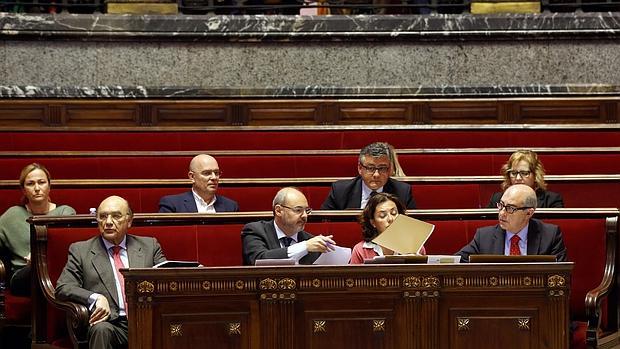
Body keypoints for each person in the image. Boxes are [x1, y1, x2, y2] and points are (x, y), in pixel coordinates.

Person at [55, 196, 166, 349]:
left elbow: (165, 278)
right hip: (111, 324)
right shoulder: (81, 250)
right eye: (102, 216)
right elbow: (63, 287)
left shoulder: (149, 246)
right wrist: (94, 297)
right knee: (101, 330)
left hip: (146, 319)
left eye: (116, 216)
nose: (108, 222)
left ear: (129, 221)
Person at [0, 163, 75, 296]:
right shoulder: (12, 216)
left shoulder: (65, 212)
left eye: (41, 182)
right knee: (37, 270)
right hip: (24, 277)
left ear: (49, 186)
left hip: (60, 271)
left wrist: (40, 257)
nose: (36, 188)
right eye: (30, 183)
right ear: (23, 189)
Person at [457, 184, 567, 263]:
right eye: (501, 205)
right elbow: (456, 262)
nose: (502, 213)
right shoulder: (484, 237)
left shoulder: (550, 236)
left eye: (510, 208)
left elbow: (561, 276)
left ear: (529, 213)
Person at [241, 187, 336, 266]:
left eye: (306, 210)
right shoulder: (255, 231)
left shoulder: (312, 243)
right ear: (278, 211)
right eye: (298, 210)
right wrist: (304, 247)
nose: (305, 216)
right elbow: (259, 260)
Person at [320, 142, 416, 210]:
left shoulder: (403, 192)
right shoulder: (340, 191)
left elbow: (412, 225)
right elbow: (326, 223)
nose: (376, 175)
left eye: (382, 168)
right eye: (370, 168)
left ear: (390, 169)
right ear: (360, 168)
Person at [350, 192, 425, 264]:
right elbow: (353, 277)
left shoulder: (416, 247)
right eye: (382, 215)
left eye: (394, 213)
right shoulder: (361, 250)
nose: (390, 219)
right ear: (373, 222)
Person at [158, 154, 239, 213]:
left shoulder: (231, 206)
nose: (214, 177)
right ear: (192, 177)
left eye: (216, 173)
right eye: (207, 173)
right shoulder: (172, 204)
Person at [487, 150, 563, 208]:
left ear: (536, 175)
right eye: (513, 173)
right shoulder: (497, 199)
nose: (518, 178)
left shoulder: (552, 200)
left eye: (524, 173)